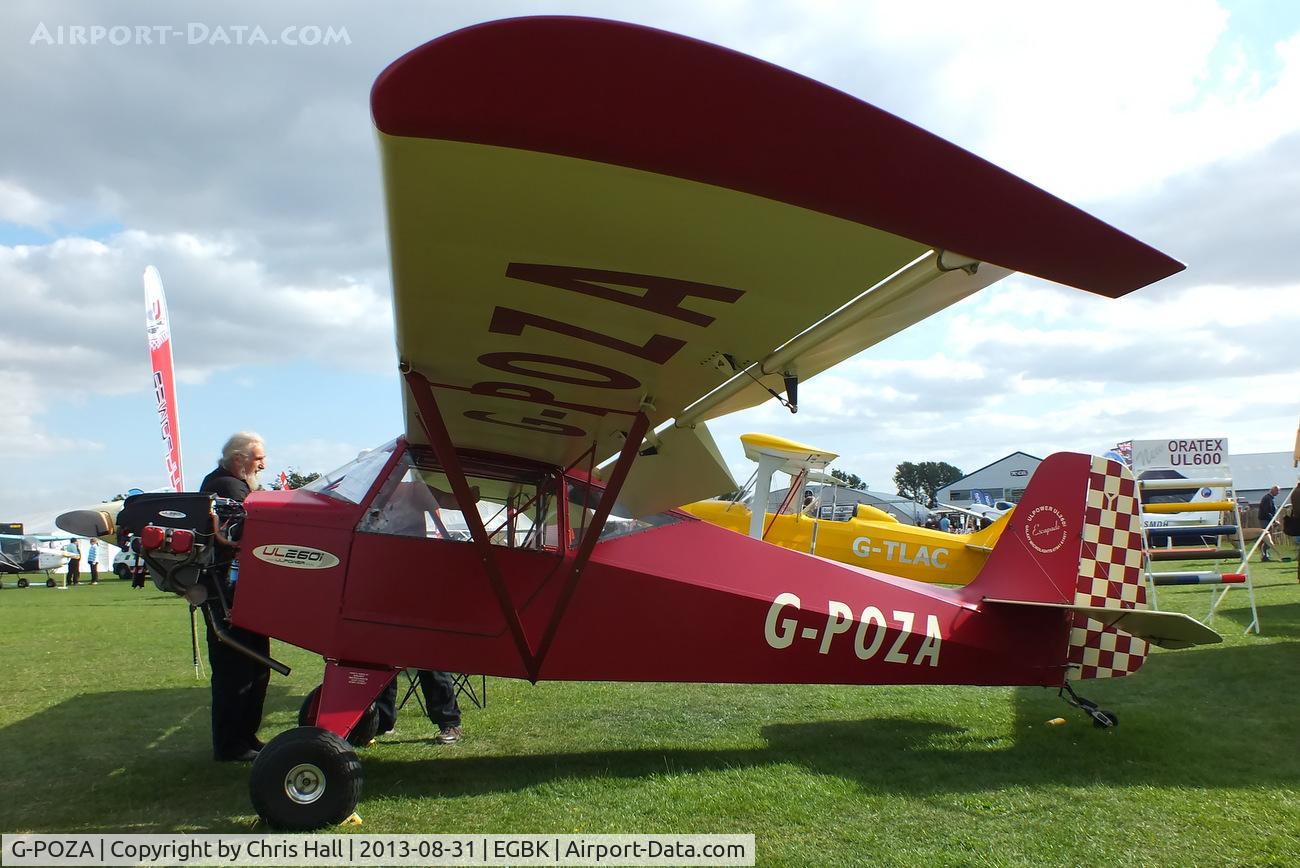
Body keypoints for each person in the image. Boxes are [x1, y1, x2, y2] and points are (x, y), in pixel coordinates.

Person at [199, 431, 271, 762]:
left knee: (254, 668)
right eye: (259, 459)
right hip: (228, 594)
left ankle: (245, 738)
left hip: (238, 592)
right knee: (237, 670)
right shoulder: (229, 488)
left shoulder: (229, 485)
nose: (264, 465)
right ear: (239, 460)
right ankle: (232, 744)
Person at [1259, 485, 1279, 562]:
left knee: (1267, 538)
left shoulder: (1269, 498)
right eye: (1277, 491)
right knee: (1267, 538)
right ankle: (1265, 556)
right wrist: (1274, 521)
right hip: (1265, 520)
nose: (1278, 493)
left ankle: (1265, 555)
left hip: (1267, 520)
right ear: (1273, 490)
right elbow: (1267, 511)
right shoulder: (1267, 498)